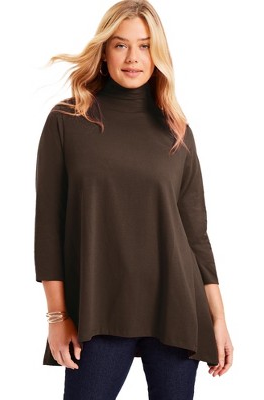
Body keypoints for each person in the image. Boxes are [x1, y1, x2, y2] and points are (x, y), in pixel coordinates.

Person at [34, 1, 233, 399]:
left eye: (144, 46)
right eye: (121, 45)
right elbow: (49, 228)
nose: (133, 58)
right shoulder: (68, 120)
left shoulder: (176, 130)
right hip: (99, 308)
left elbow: (196, 235)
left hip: (177, 307)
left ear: (157, 54)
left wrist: (218, 318)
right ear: (104, 52)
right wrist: (57, 316)